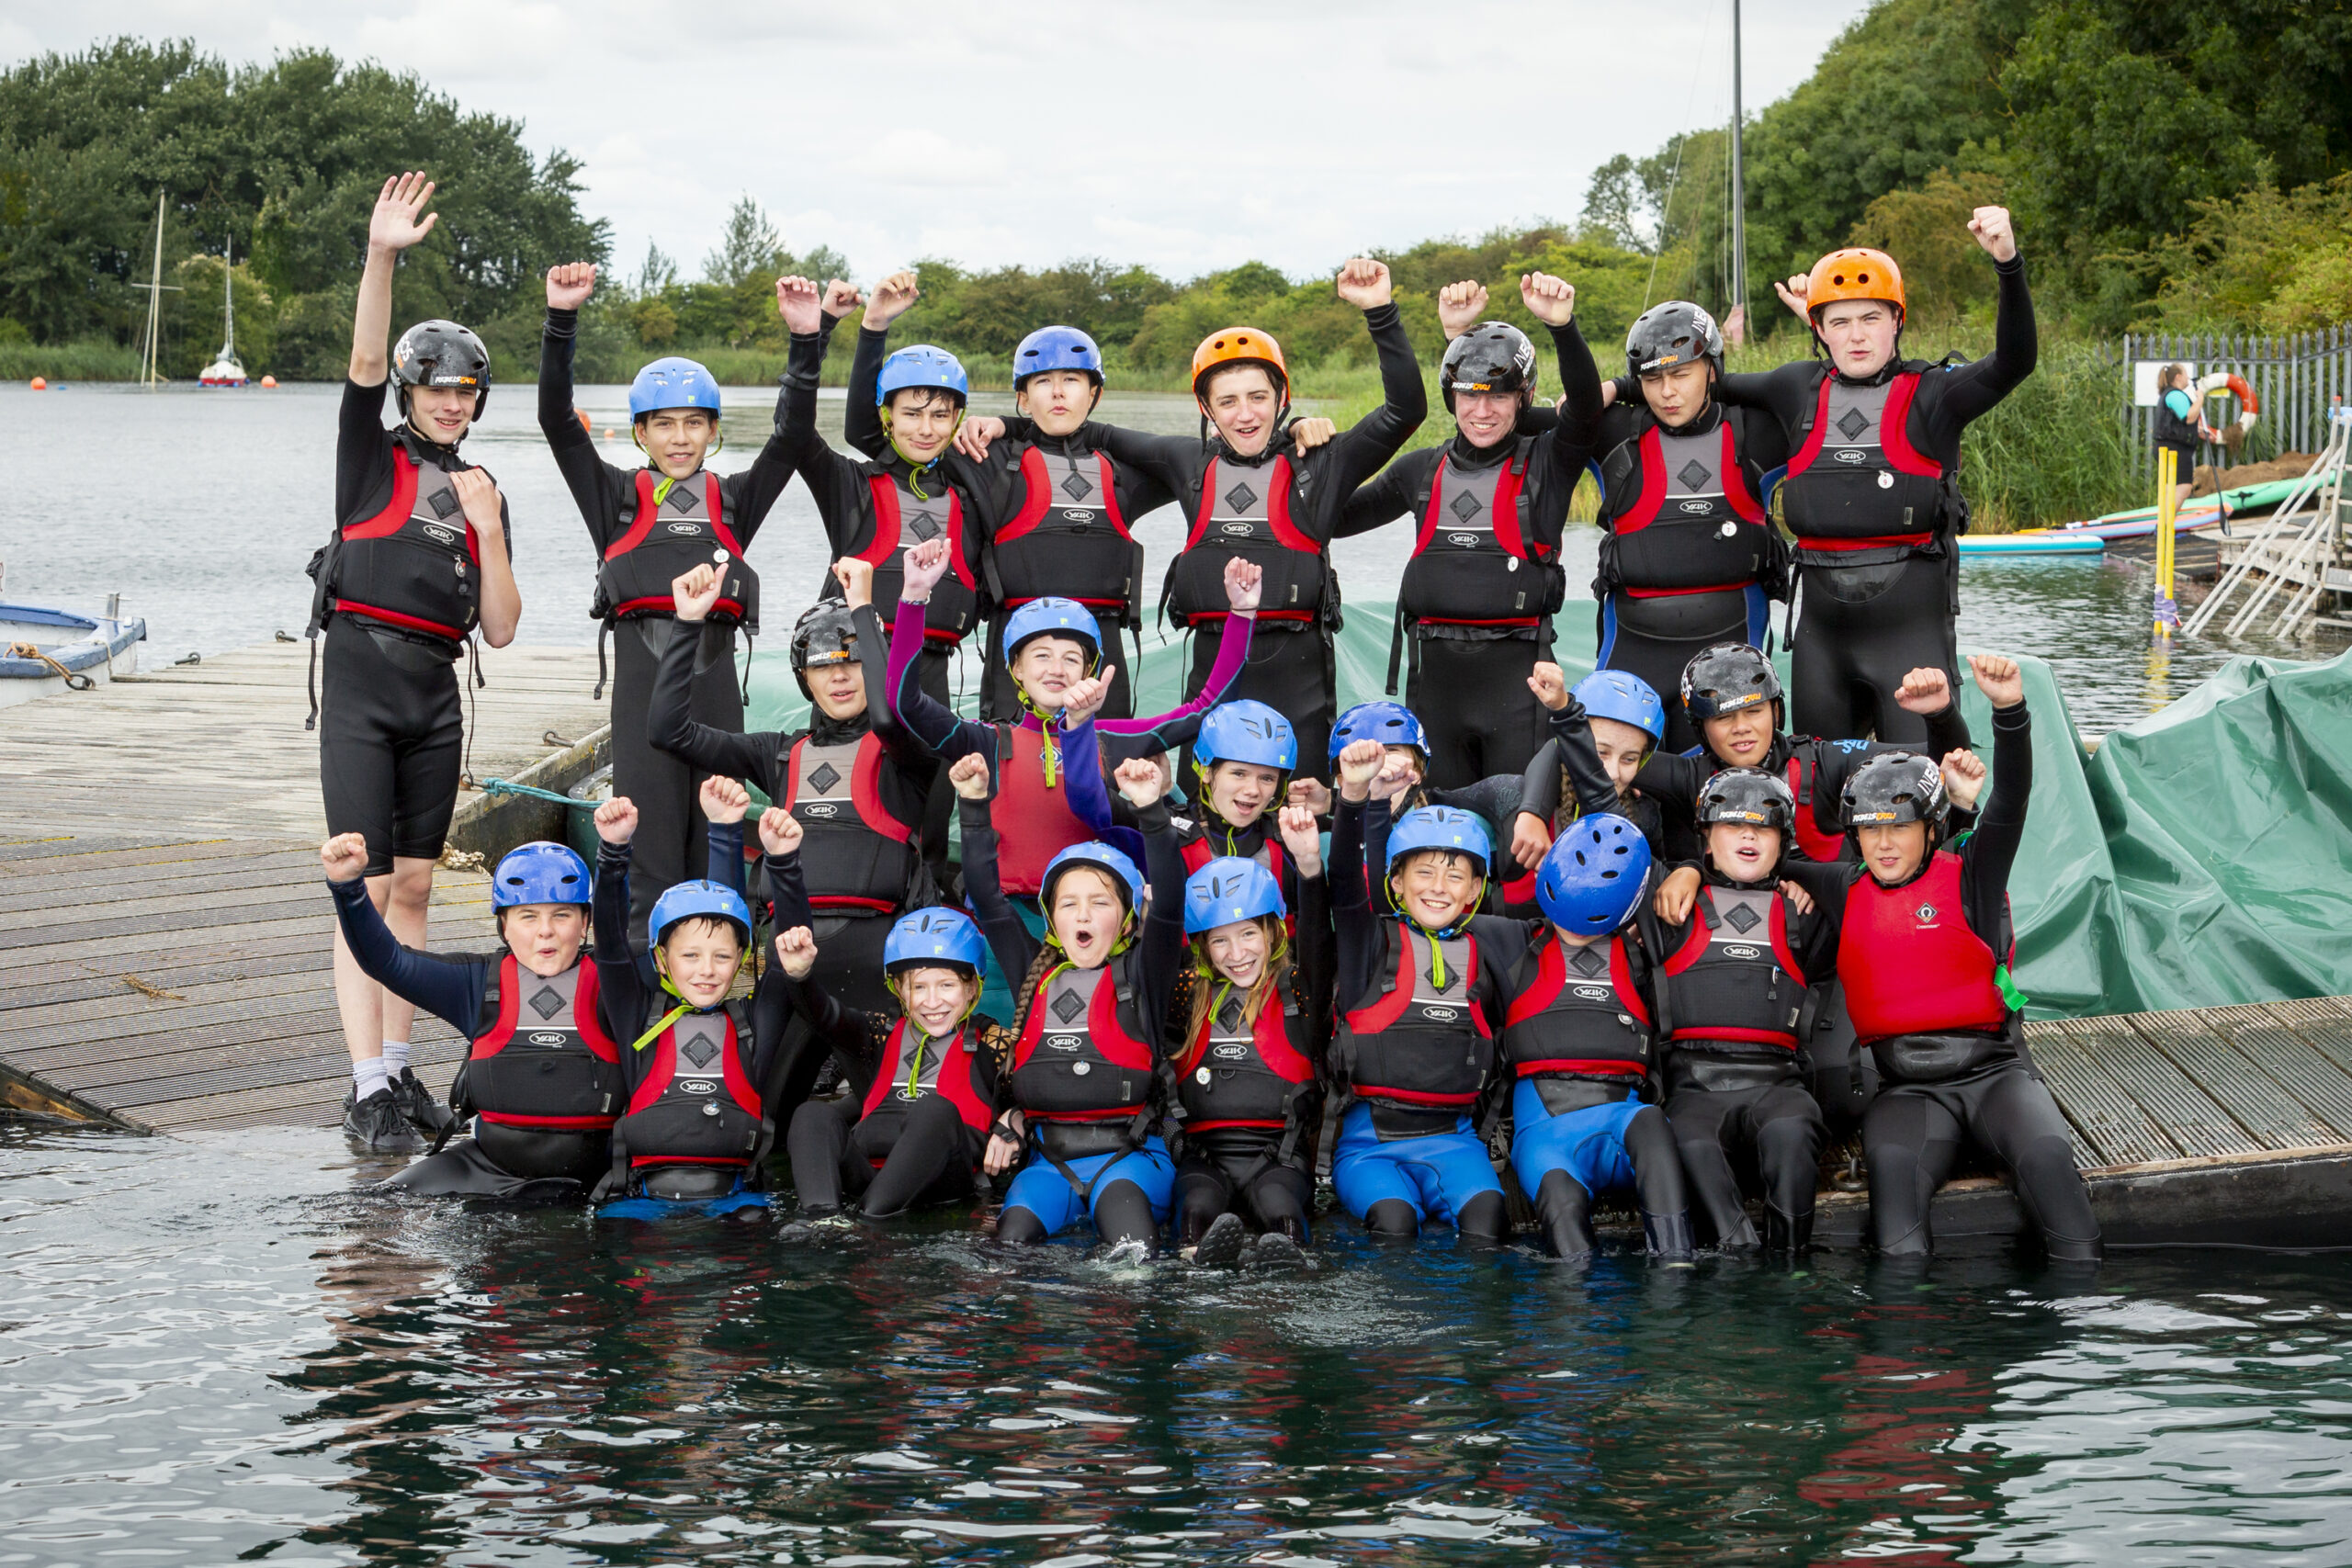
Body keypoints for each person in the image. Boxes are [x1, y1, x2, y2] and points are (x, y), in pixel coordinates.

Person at [961, 260, 1427, 771]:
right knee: (1203, 809)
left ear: (1281, 399)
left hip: (1300, 676)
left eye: (1258, 398)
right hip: (1211, 669)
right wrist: (1005, 422)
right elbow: (1083, 428)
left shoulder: (1320, 461)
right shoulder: (1187, 462)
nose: (1244, 414)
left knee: (1300, 804)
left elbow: (1404, 411)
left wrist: (1379, 310)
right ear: (1205, 408)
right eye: (1227, 401)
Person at [305, 171, 522, 1153]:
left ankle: (399, 1071)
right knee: (365, 879)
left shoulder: (482, 487)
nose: (451, 403)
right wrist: (380, 254)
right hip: (359, 686)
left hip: (436, 696)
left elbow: (505, 628)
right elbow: (358, 358)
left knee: (420, 890)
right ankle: (363, 1086)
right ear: (410, 391)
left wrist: (490, 531)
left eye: (465, 391)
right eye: (436, 388)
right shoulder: (370, 458)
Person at [1768, 656, 2099, 1261]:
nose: (1885, 843)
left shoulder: (1972, 873)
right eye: (1870, 830)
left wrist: (2009, 710)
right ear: (1855, 834)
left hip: (1995, 1075)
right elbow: (1754, 854)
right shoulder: (1843, 886)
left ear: (1932, 826)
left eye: (1900, 827)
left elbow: (2014, 797)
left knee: (2055, 1176)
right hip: (1905, 1089)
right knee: (1895, 1237)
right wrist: (1685, 871)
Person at [537, 261, 808, 942]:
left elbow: (792, 437)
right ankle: (646, 1017)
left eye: (694, 423)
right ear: (640, 433)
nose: (680, 438)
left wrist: (806, 343)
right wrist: (560, 321)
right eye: (664, 424)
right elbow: (556, 420)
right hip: (643, 709)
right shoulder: (615, 499)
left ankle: (720, 1011)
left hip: (717, 703)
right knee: (651, 865)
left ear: (713, 431)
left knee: (717, 856)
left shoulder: (735, 501)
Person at [1716, 209, 2033, 740]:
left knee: (1912, 795)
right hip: (1822, 645)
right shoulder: (1797, 388)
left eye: (1871, 319)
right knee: (1823, 795)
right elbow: (1697, 384)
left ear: (1897, 323)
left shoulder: (1935, 395)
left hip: (1910, 640)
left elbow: (2014, 361)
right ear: (1817, 328)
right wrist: (1613, 390)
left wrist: (2006, 261)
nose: (1857, 336)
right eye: (1840, 322)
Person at [888, 536, 1261, 901]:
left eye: (1071, 659)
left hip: (1090, 924)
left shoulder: (1111, 737)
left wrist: (1242, 614)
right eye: (1042, 656)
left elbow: (1206, 708)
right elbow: (905, 702)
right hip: (1005, 923)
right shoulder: (986, 742)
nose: (1057, 669)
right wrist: (914, 597)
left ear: (1087, 672)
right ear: (1016, 668)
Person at [1331, 274, 1595, 787]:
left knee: (1514, 834)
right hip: (1436, 686)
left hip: (1520, 684)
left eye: (1498, 397)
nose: (1481, 411)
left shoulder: (1548, 462)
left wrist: (1561, 327)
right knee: (1442, 838)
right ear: (1450, 397)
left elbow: (1585, 411)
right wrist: (1313, 442)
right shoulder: (1420, 471)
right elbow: (1336, 519)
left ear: (1525, 397)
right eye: (1468, 396)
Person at [648, 558, 933, 1021]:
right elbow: (668, 732)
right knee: (770, 1093)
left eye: (855, 661)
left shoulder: (908, 749)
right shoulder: (778, 754)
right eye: (823, 667)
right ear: (805, 679)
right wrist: (688, 623)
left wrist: (864, 607)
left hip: (878, 958)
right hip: (789, 958)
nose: (839, 677)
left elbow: (888, 715)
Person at [958, 755, 1184, 1252]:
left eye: (1100, 902)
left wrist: (1150, 810)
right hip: (1048, 1164)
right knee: (1008, 1248)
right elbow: (987, 897)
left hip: (1129, 1160)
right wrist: (974, 806)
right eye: (1069, 903)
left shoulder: (1144, 973)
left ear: (1126, 920)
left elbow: (1169, 904)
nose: (1083, 914)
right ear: (1051, 920)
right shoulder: (1032, 974)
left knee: (1132, 1252)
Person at [322, 837, 617, 1199]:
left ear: (586, 922)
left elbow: (700, 949)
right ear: (504, 927)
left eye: (562, 915)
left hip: (600, 1177)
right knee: (376, 1204)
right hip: (491, 1169)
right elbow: (387, 962)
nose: (546, 931)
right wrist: (347, 886)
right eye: (528, 916)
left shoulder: (618, 983)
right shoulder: (476, 984)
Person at [1329, 749, 1531, 1242]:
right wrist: (1357, 798)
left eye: (1456, 875)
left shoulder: (1492, 949)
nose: (1439, 887)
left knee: (1488, 1225)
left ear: (1475, 890)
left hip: (1454, 1140)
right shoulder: (1370, 944)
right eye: (1423, 872)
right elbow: (1344, 883)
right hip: (1368, 1144)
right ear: (1396, 882)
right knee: (1395, 1225)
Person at [1587, 301, 1790, 755]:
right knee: (1615, 786)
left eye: (1682, 375)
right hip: (1631, 644)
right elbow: (1505, 421)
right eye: (1652, 380)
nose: (1667, 393)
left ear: (1712, 370)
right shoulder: (1615, 432)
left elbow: (1818, 393)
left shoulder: (1758, 431)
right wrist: (1612, 389)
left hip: (1731, 643)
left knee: (1720, 793)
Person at [1646, 768, 1837, 1250]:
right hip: (1693, 1088)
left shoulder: (1806, 915)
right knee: (1689, 1146)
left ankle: (1789, 1268)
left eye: (1764, 826)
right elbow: (1605, 810)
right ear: (1706, 839)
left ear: (1783, 844)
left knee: (1793, 1134)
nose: (1749, 834)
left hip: (1779, 1086)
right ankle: (1739, 1262)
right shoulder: (1671, 906)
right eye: (1732, 825)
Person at [774, 274, 985, 707]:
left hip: (933, 689)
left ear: (957, 420)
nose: (926, 430)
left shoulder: (972, 491)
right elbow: (793, 428)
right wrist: (816, 331)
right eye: (910, 414)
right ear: (886, 416)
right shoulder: (850, 485)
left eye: (941, 416)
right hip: (849, 681)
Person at [1500, 815, 1693, 1260]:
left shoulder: (1639, 949)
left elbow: (1672, 879)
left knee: (1651, 1123)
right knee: (1571, 1247)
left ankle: (1677, 1265)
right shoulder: (1513, 941)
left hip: (1623, 1122)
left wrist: (1691, 868)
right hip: (1546, 1137)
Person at [586, 795, 787, 1214]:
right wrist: (612, 854)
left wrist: (784, 862)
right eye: (690, 956)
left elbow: (788, 953)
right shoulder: (637, 1016)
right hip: (640, 1207)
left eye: (721, 958)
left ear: (742, 961)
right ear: (661, 959)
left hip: (736, 1205)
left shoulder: (752, 1022)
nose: (707, 970)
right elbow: (609, 942)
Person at [1159, 812, 1333, 1265]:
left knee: (1281, 1207)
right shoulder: (1185, 992)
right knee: (1195, 1207)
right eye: (1219, 942)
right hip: (1203, 1158)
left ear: (1272, 931)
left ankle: (1288, 1256)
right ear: (1202, 947)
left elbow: (1318, 943)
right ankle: (1197, 1260)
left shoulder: (1296, 989)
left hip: (1279, 1156)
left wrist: (1310, 866)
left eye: (1248, 935)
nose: (1236, 956)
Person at [773, 907, 1010, 1222]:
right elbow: (827, 1017)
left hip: (946, 1183)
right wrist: (800, 977)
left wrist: (1014, 1122)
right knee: (811, 1114)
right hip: (868, 1177)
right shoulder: (879, 1033)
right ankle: (823, 1221)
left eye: (946, 986)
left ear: (971, 988)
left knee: (933, 1109)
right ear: (899, 989)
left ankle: (869, 1222)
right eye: (918, 987)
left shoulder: (994, 1042)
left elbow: (1036, 1090)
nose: (932, 1001)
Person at [1172, 699, 1307, 916]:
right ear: (1206, 771)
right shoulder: (1168, 833)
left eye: (1266, 778)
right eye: (1239, 773)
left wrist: (1335, 800)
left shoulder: (1289, 836)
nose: (1253, 790)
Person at [2152, 363, 2205, 509]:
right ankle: (2164, 525)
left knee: (2172, 488)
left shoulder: (2169, 394)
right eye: (2186, 374)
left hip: (2167, 447)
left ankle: (2165, 526)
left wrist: (2195, 430)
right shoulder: (2175, 394)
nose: (2188, 377)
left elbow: (2174, 422)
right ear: (2178, 377)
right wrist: (2200, 399)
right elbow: (2188, 417)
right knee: (2184, 487)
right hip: (2174, 449)